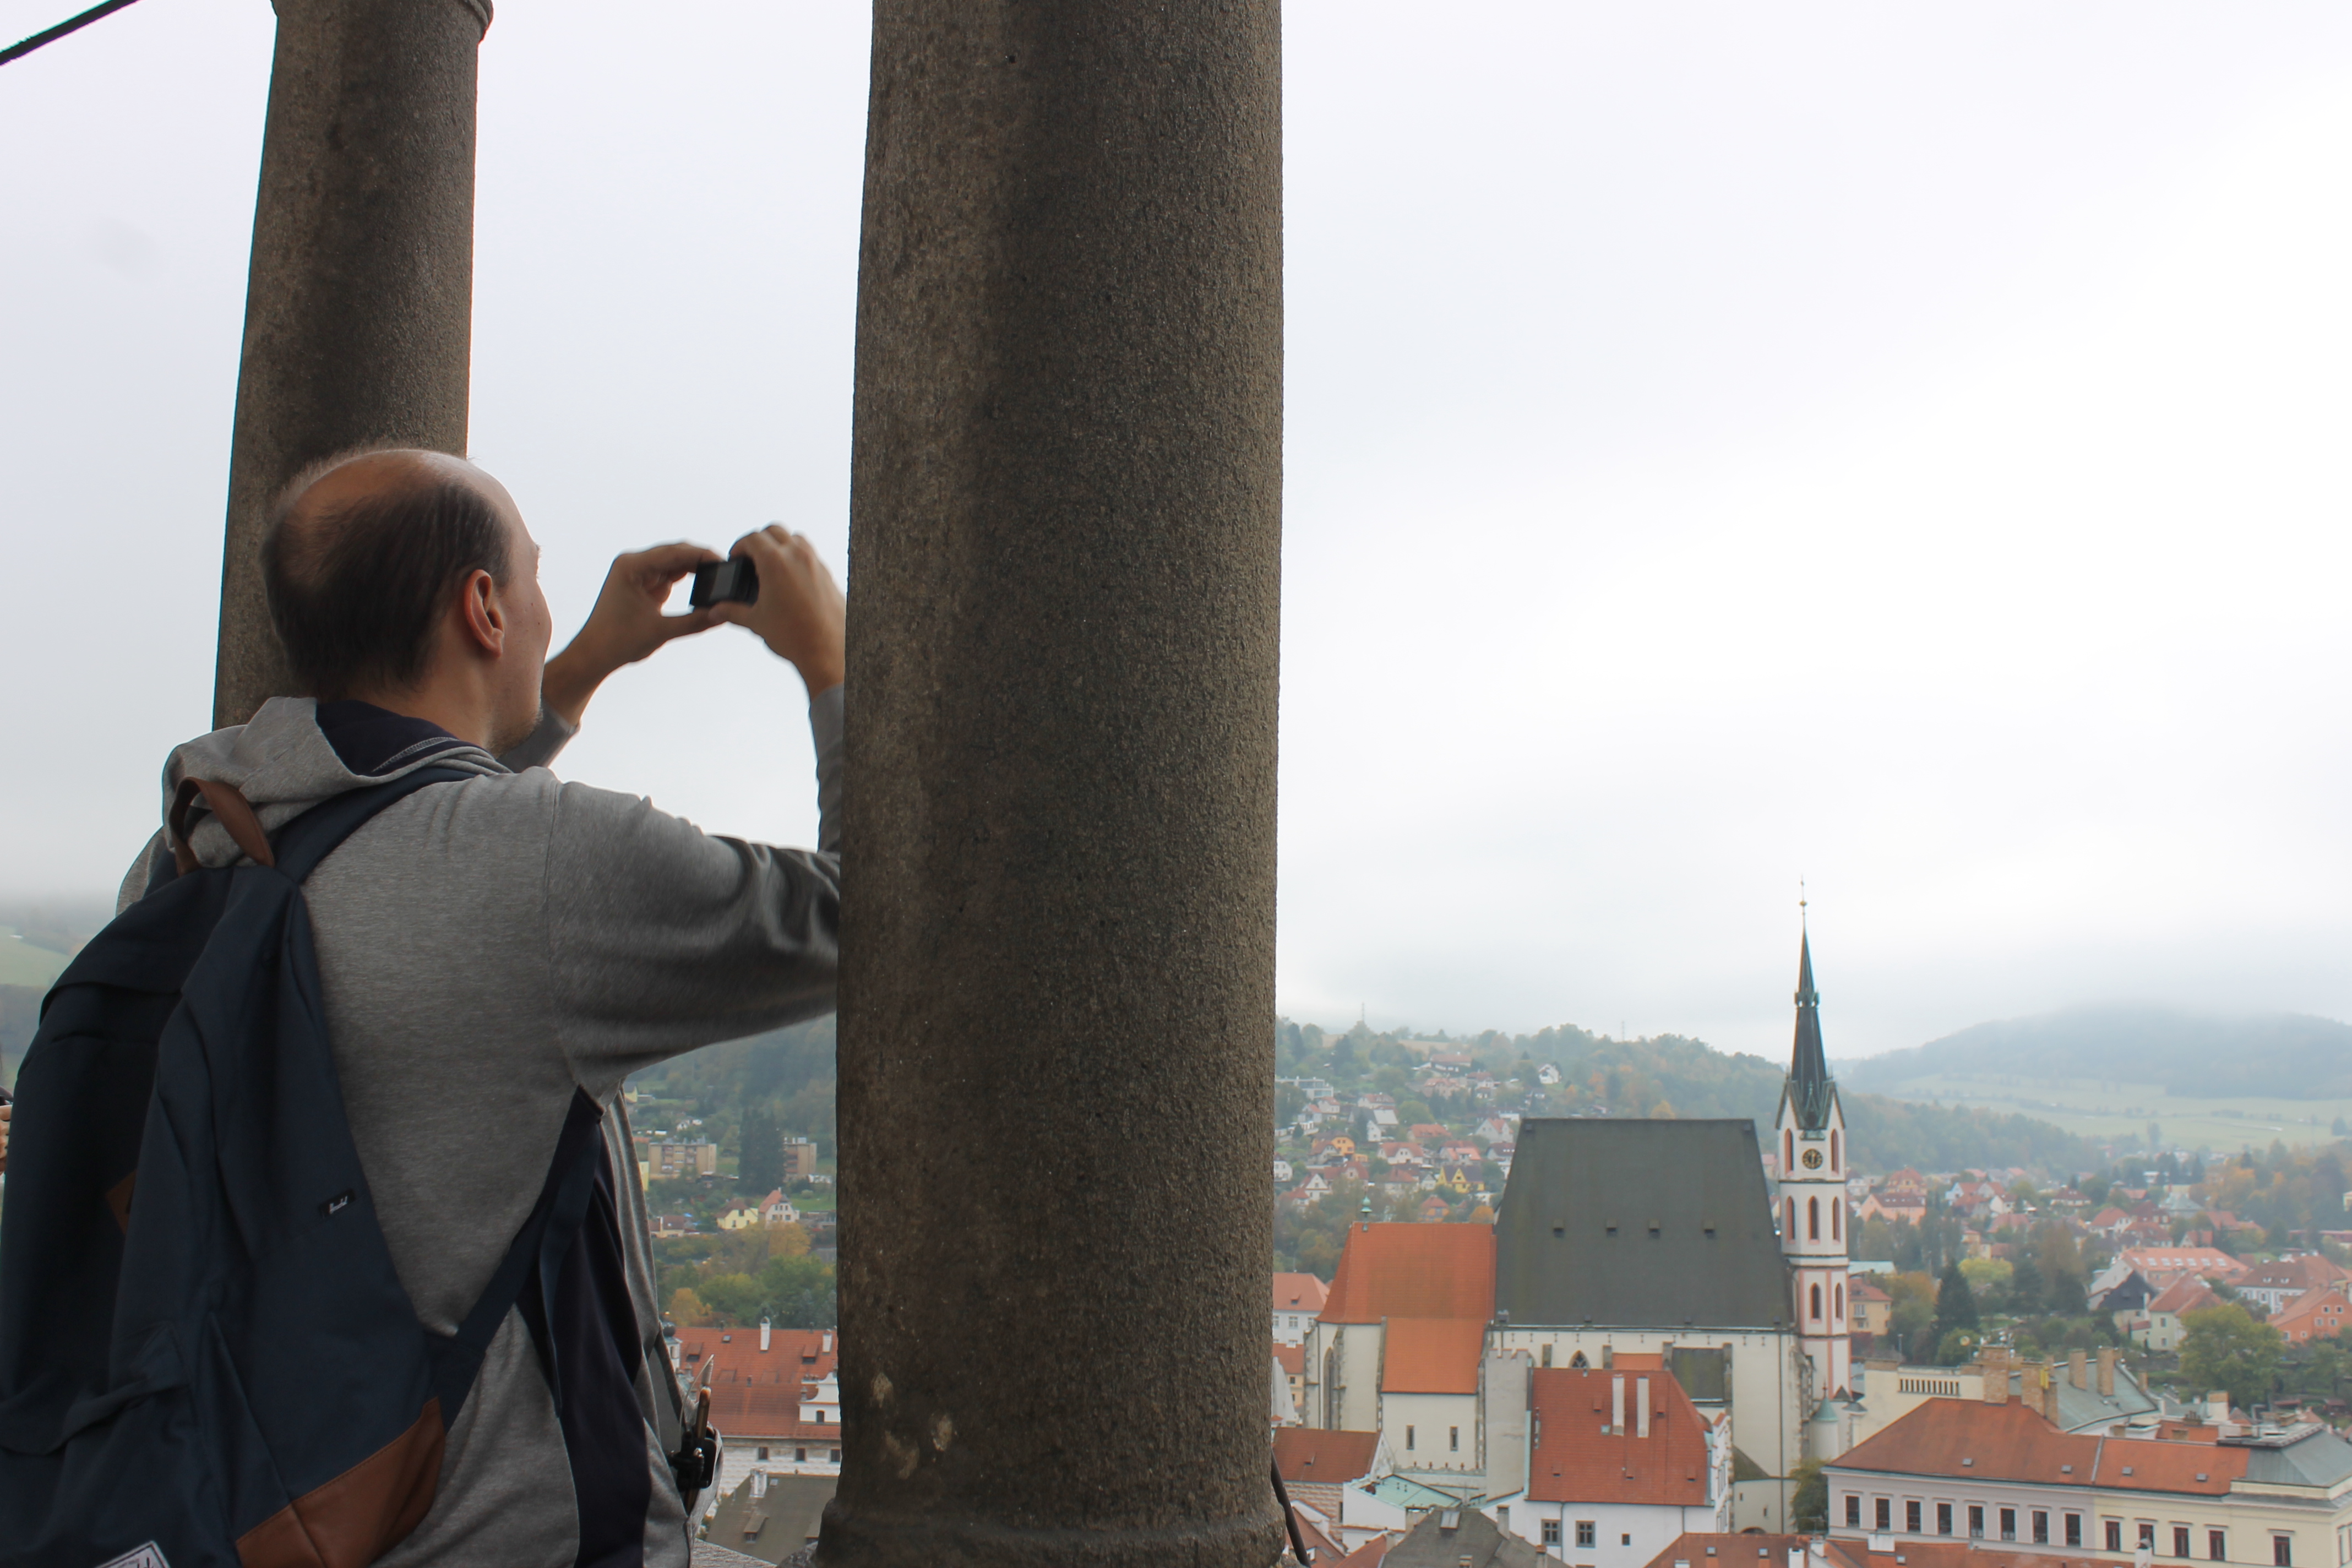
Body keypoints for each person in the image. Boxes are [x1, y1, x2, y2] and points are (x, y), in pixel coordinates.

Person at [115, 448, 845, 1566]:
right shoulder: (547, 863)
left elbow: (387, 814)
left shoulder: (188, 849)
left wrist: (580, 668)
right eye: (535, 578)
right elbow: (869, 919)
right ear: (484, 608)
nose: (551, 609)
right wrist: (833, 663)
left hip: (251, 1505)